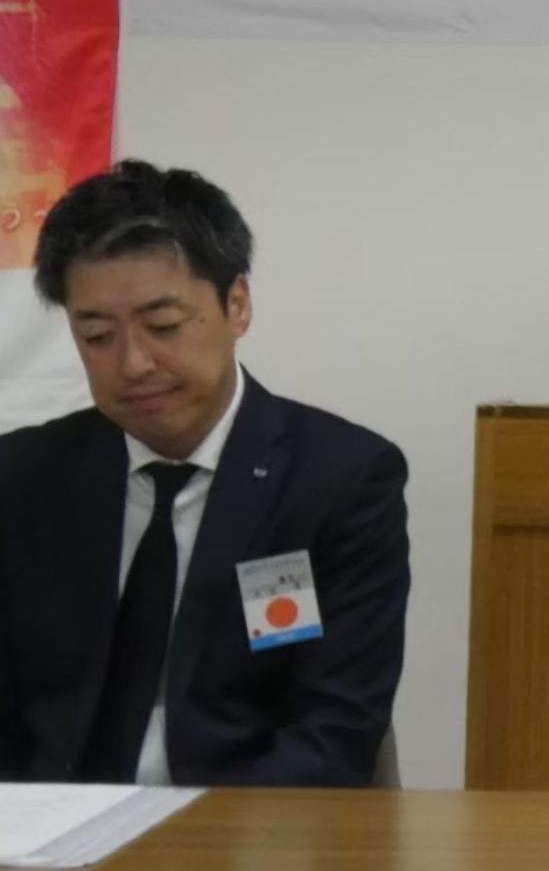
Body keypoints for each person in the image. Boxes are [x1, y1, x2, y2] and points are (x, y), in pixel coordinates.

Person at [0, 161, 409, 786]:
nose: (134, 364)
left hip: (243, 817)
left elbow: (335, 730)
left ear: (236, 305)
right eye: (98, 336)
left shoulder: (340, 481)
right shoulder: (21, 477)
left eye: (163, 327)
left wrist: (208, 833)